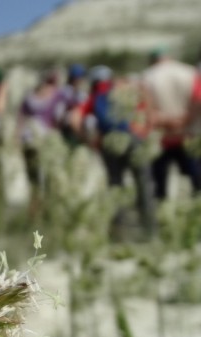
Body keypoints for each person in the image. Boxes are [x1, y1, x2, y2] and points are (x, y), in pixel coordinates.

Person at [78, 65, 156, 239]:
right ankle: (150, 229)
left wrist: (92, 143)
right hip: (133, 140)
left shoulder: (94, 96)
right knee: (143, 184)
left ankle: (119, 231)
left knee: (116, 185)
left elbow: (78, 119)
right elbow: (145, 109)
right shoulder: (124, 89)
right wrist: (145, 131)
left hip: (109, 144)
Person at [142, 47, 201, 200]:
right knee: (196, 180)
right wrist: (185, 119)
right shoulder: (190, 73)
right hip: (190, 134)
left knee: (160, 185)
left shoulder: (147, 77)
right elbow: (198, 100)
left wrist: (167, 121)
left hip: (161, 137)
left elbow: (145, 110)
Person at [17, 69, 64, 219]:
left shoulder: (30, 97)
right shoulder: (55, 95)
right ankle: (43, 213)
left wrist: (17, 137)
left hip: (33, 142)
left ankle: (37, 212)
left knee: (36, 179)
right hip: (42, 142)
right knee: (43, 178)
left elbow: (21, 119)